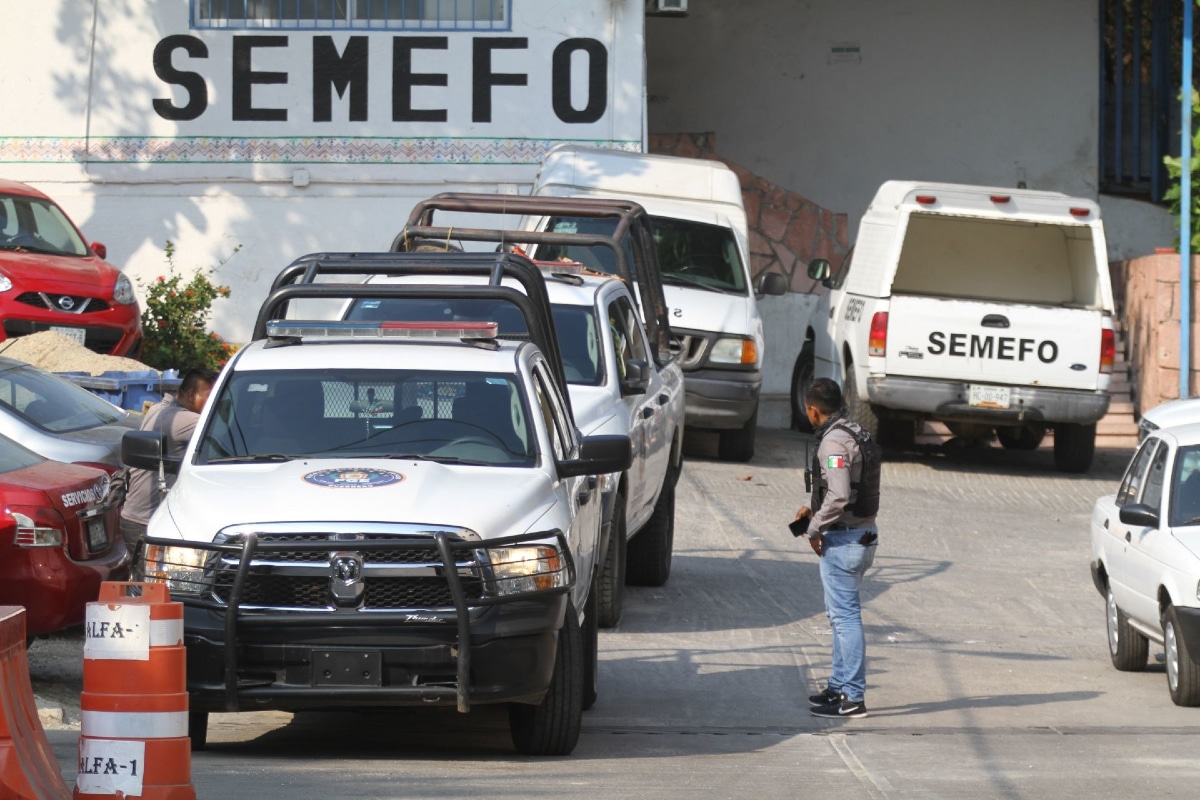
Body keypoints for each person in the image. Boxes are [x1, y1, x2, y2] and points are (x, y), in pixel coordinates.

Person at [794, 377, 880, 719]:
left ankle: (853, 697)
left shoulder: (832, 444)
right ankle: (838, 688)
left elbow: (840, 493)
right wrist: (813, 512)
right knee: (839, 617)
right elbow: (846, 491)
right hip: (860, 534)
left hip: (844, 541)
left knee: (845, 619)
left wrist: (814, 527)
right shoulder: (853, 430)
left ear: (813, 410)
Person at [119, 368, 216, 554]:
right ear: (191, 395)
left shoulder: (158, 408)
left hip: (135, 517)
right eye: (210, 397)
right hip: (146, 521)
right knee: (154, 582)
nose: (214, 403)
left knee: (146, 581)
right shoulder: (185, 420)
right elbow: (230, 430)